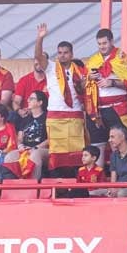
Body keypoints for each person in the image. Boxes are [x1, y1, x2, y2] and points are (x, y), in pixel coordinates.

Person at [30, 24, 89, 170]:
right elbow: (38, 56)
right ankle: (58, 188)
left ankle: (76, 187)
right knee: (57, 155)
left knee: (76, 154)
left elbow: (82, 92)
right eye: (60, 52)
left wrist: (83, 83)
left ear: (71, 54)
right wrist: (40, 38)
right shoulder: (50, 67)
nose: (62, 55)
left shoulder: (80, 70)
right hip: (56, 116)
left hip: (75, 115)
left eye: (65, 52)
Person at [13, 90, 49, 179]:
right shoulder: (25, 119)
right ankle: (12, 188)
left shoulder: (47, 118)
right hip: (26, 149)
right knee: (9, 157)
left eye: (31, 98)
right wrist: (20, 145)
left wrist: (36, 147)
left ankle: (33, 186)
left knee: (35, 154)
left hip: (42, 149)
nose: (28, 100)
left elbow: (51, 139)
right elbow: (20, 137)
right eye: (28, 98)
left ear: (40, 102)